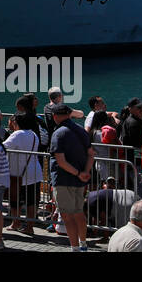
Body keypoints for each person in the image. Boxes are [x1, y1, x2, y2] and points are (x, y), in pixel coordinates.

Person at [49, 103, 93, 251]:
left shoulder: (58, 133)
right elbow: (91, 154)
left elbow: (60, 161)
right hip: (79, 181)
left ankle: (74, 248)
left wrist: (78, 173)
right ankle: (83, 245)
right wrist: (85, 172)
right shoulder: (81, 130)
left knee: (67, 216)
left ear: (55, 116)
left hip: (63, 180)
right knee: (79, 213)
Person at [5, 112, 42, 234]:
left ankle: (16, 223)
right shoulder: (33, 134)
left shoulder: (17, 134)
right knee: (31, 201)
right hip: (35, 171)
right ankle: (29, 227)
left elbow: (3, 147)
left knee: (15, 200)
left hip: (19, 172)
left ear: (16, 122)